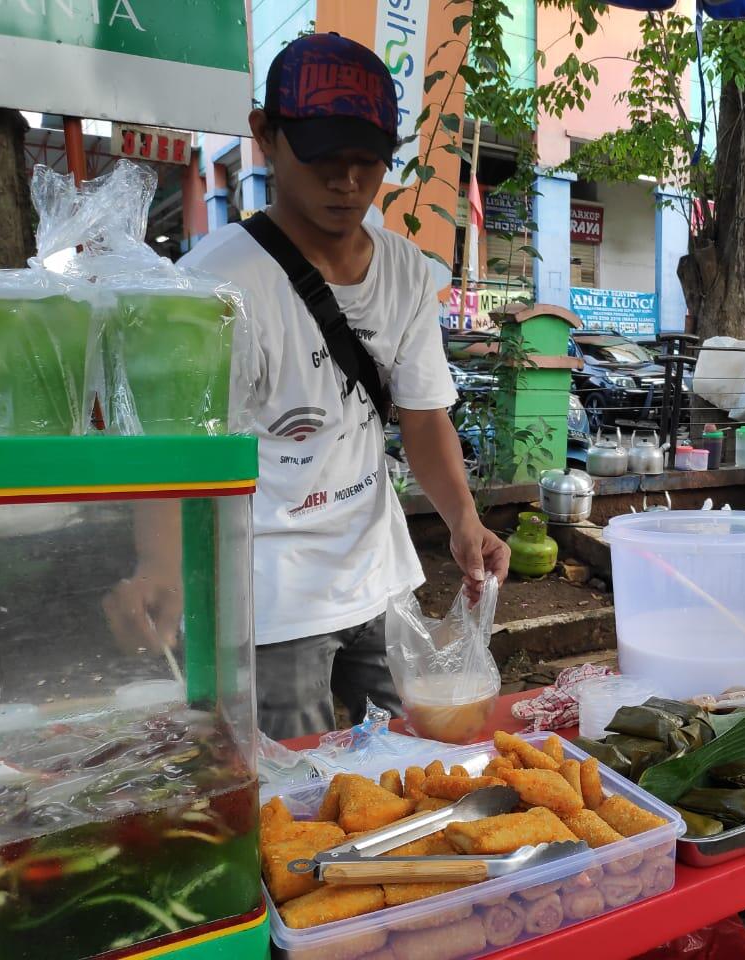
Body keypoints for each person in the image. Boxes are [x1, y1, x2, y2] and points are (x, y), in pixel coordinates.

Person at [120, 34, 511, 739]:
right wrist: (158, 568)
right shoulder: (218, 286)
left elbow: (423, 418)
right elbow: (179, 449)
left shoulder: (404, 271)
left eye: (369, 163)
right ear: (265, 136)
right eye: (326, 160)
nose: (348, 184)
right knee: (291, 795)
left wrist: (462, 520)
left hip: (379, 578)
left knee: (411, 765)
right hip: (269, 598)